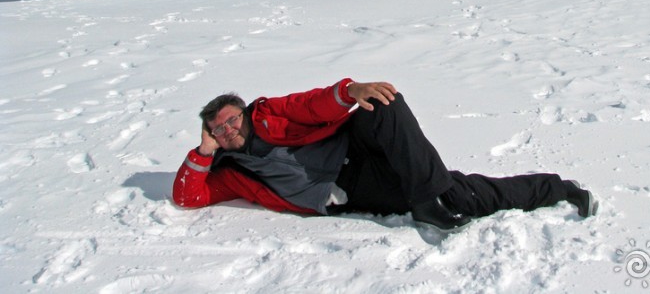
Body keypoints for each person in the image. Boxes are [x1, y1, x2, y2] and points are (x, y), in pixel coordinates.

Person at [173, 79, 598, 231]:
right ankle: (557, 188)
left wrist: (349, 92)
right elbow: (186, 198)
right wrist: (202, 153)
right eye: (217, 129)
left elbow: (309, 104)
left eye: (231, 120)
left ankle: (426, 198)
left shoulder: (266, 114)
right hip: (348, 188)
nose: (227, 130)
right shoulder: (230, 171)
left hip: (355, 145)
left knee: (386, 103)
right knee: (462, 195)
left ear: (244, 113)